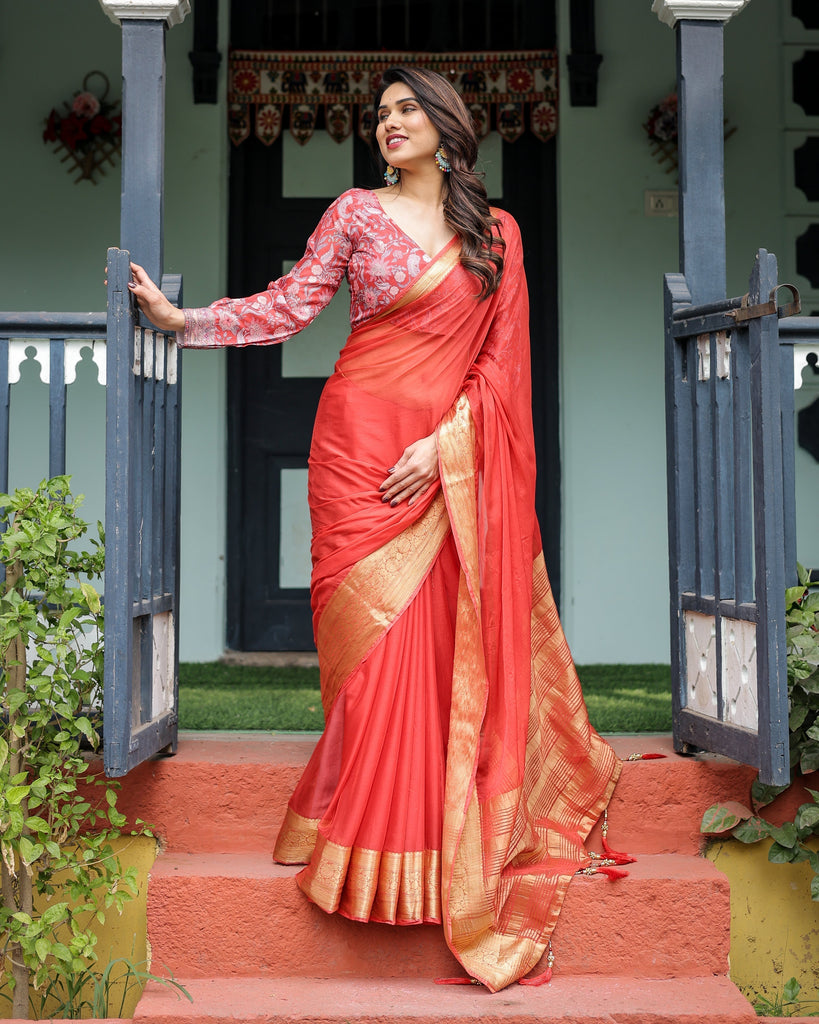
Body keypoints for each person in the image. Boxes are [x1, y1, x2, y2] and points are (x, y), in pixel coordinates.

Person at [128, 66, 621, 993]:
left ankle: (426, 848)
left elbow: (502, 369)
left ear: (445, 125)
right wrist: (183, 320)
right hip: (355, 449)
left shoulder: (497, 236)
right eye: (380, 113)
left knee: (431, 651)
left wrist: (447, 450)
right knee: (363, 652)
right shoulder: (354, 213)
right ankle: (361, 838)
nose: (388, 124)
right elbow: (288, 306)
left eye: (405, 110)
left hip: (444, 456)